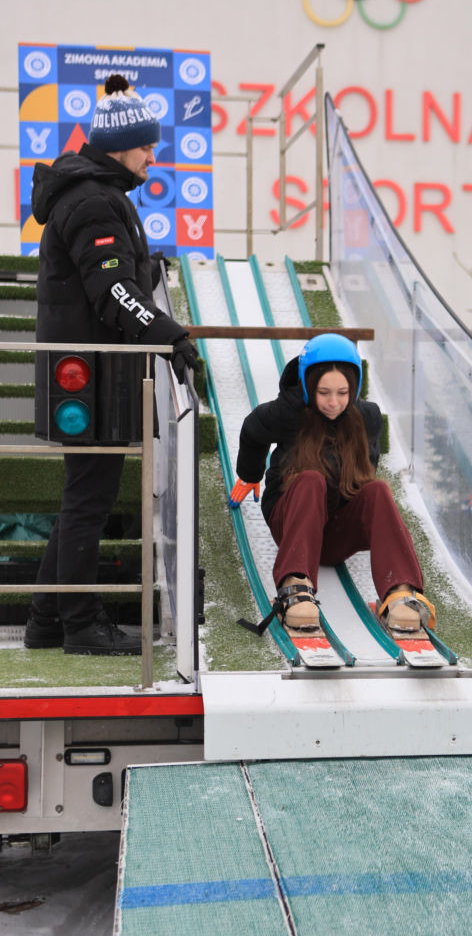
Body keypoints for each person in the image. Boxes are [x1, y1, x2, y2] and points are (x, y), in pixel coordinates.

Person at [24, 74, 199, 655]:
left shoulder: (96, 196)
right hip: (89, 376)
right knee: (88, 502)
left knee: (84, 495)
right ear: (121, 146)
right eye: (148, 145)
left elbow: (113, 281)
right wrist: (171, 335)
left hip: (91, 371)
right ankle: (81, 623)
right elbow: (114, 293)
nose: (154, 154)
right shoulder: (96, 200)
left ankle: (48, 619)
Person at [229, 332, 435, 634]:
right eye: (324, 392)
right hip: (293, 525)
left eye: (343, 392)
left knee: (377, 489)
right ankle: (294, 586)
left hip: (337, 534)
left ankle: (399, 591)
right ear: (309, 384)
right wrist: (250, 474)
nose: (334, 403)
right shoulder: (287, 413)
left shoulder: (367, 418)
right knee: (311, 480)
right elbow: (252, 431)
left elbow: (367, 475)